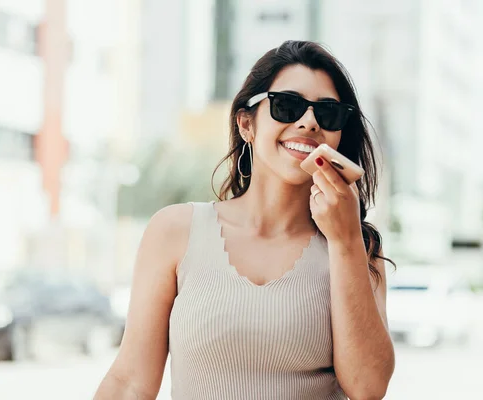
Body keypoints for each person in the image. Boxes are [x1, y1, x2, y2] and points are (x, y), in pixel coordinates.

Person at [94, 40, 395, 400]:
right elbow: (129, 382)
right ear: (246, 124)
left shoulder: (358, 248)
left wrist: (345, 242)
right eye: (288, 105)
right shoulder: (175, 232)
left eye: (328, 113)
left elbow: (368, 387)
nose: (309, 121)